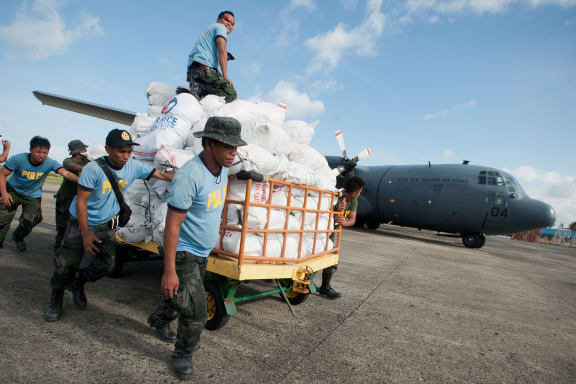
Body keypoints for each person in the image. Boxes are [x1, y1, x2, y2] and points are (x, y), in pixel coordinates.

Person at [147, 117, 246, 380]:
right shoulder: (190, 176)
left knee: (180, 297)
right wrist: (169, 270)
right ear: (210, 143)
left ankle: (158, 319)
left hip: (203, 253)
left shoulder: (223, 169)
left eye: (235, 147)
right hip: (183, 252)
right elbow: (172, 226)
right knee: (195, 311)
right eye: (228, 146)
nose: (233, 152)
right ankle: (183, 353)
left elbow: (228, 177)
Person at [43, 129, 173, 322]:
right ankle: (56, 298)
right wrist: (86, 233)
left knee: (107, 264)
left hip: (105, 225)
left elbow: (161, 175)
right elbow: (81, 202)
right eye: (121, 151)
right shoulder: (93, 169)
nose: (126, 156)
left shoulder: (134, 166)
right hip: (80, 223)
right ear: (108, 149)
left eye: (129, 151)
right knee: (66, 263)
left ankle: (79, 282)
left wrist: (185, 177)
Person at [0, 136, 78, 251]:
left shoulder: (50, 162)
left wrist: (82, 182)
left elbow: (65, 173)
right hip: (13, 191)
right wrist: (4, 193)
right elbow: (2, 175)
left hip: (32, 196)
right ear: (31, 150)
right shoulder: (18, 159)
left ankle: (18, 236)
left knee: (32, 220)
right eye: (38, 152)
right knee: (3, 218)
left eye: (44, 152)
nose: (41, 155)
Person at [318, 176, 366, 299]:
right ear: (355, 193)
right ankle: (303, 281)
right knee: (314, 254)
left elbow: (352, 219)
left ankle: (325, 286)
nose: (360, 194)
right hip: (319, 229)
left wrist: (344, 222)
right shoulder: (334, 195)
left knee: (331, 257)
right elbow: (320, 212)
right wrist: (335, 213)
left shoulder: (353, 201)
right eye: (360, 191)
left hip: (332, 232)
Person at [187, 10, 237, 103]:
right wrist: (225, 75)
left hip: (194, 72)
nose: (229, 23)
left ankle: (198, 91)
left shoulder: (211, 30)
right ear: (218, 20)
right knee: (231, 94)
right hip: (204, 70)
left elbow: (214, 50)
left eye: (232, 22)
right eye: (227, 20)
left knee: (204, 100)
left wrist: (226, 55)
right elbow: (221, 49)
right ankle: (198, 91)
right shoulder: (220, 27)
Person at [54, 140, 90, 250]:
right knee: (62, 223)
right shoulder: (67, 161)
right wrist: (91, 169)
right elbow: (74, 167)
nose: (86, 150)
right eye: (84, 149)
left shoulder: (87, 160)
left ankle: (71, 245)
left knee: (78, 223)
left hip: (80, 198)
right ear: (79, 151)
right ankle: (58, 243)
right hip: (65, 197)